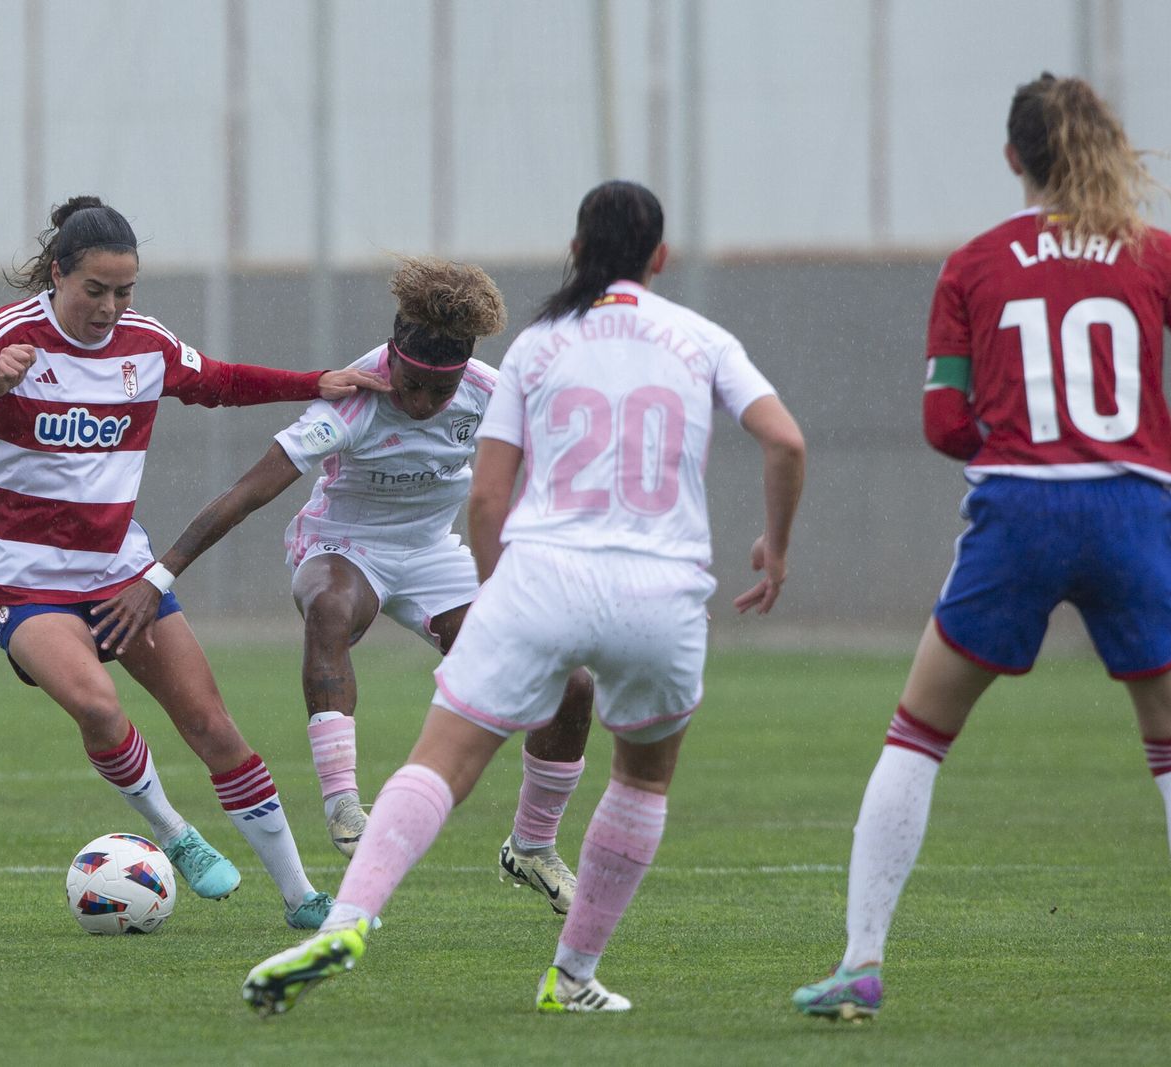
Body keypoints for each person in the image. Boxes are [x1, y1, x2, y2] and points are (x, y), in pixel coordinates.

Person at [240, 180, 806, 1015]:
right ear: (660, 258)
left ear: (575, 252)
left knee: (443, 759)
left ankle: (346, 920)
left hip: (549, 576)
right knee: (642, 782)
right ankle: (571, 973)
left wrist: (502, 589)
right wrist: (777, 548)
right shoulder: (702, 338)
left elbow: (490, 499)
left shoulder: (539, 348)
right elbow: (785, 439)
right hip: (666, 590)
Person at [791, 74, 1171, 1031]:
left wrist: (1007, 449)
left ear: (1014, 159)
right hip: (1132, 514)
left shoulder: (974, 264)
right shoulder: (1156, 254)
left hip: (1021, 514)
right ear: (1106, 146)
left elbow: (943, 420)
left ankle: (861, 963)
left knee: (917, 734)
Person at [0, 195, 387, 930]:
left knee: (212, 724)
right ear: (58, 275)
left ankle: (302, 898)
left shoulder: (145, 343)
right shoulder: (9, 335)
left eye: (124, 291)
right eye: (94, 289)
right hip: (21, 577)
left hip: (119, 572)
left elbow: (217, 381)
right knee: (97, 704)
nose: (109, 307)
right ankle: (175, 833)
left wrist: (313, 381)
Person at [92, 256, 596, 913]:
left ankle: (533, 845)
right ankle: (343, 804)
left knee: (571, 685)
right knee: (330, 607)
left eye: (436, 394)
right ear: (393, 360)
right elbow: (248, 492)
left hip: (433, 553)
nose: (419, 404)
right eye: (411, 385)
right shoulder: (357, 400)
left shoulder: (493, 393)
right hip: (341, 545)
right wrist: (160, 575)